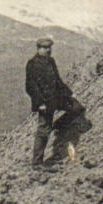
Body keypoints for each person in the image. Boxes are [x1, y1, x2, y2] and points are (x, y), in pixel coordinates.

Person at [25, 36, 76, 166]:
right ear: (38, 49)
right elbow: (31, 87)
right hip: (44, 103)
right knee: (43, 131)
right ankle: (37, 162)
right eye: (44, 48)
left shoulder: (51, 61)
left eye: (49, 48)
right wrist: (39, 104)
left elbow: (57, 81)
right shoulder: (32, 64)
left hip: (56, 99)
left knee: (76, 108)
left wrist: (68, 94)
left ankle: (57, 125)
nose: (48, 50)